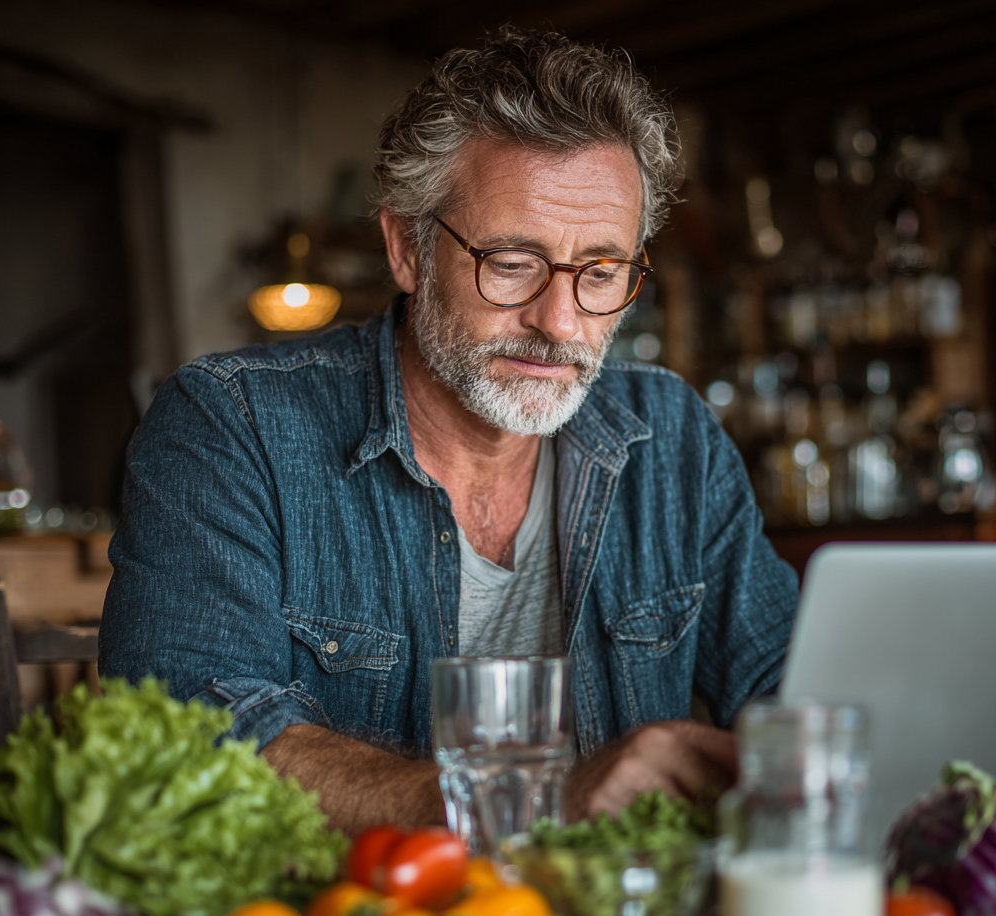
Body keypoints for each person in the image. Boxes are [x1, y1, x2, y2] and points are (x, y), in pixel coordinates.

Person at [98, 29, 798, 835]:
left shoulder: (671, 438)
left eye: (601, 272)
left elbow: (790, 686)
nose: (560, 322)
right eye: (512, 262)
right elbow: (185, 738)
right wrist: (525, 804)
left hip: (630, 909)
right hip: (348, 914)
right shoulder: (231, 424)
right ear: (407, 248)